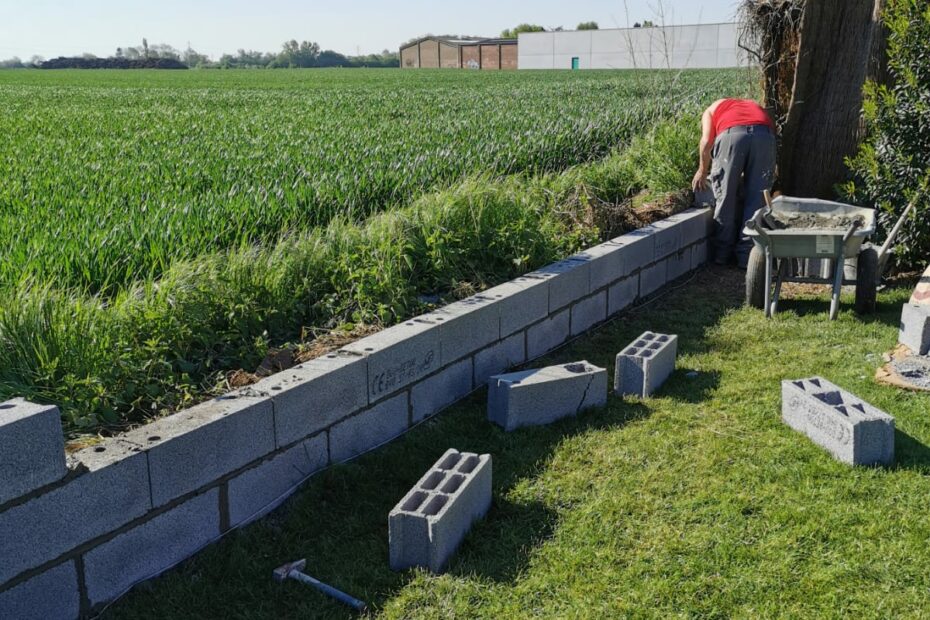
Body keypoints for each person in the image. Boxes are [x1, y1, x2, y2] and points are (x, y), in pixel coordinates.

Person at [691, 98, 776, 268]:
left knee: (726, 195)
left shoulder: (710, 110)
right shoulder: (754, 106)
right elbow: (767, 132)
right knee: (757, 199)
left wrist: (702, 170)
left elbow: (707, 141)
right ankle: (747, 256)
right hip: (764, 137)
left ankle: (722, 255)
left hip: (732, 136)